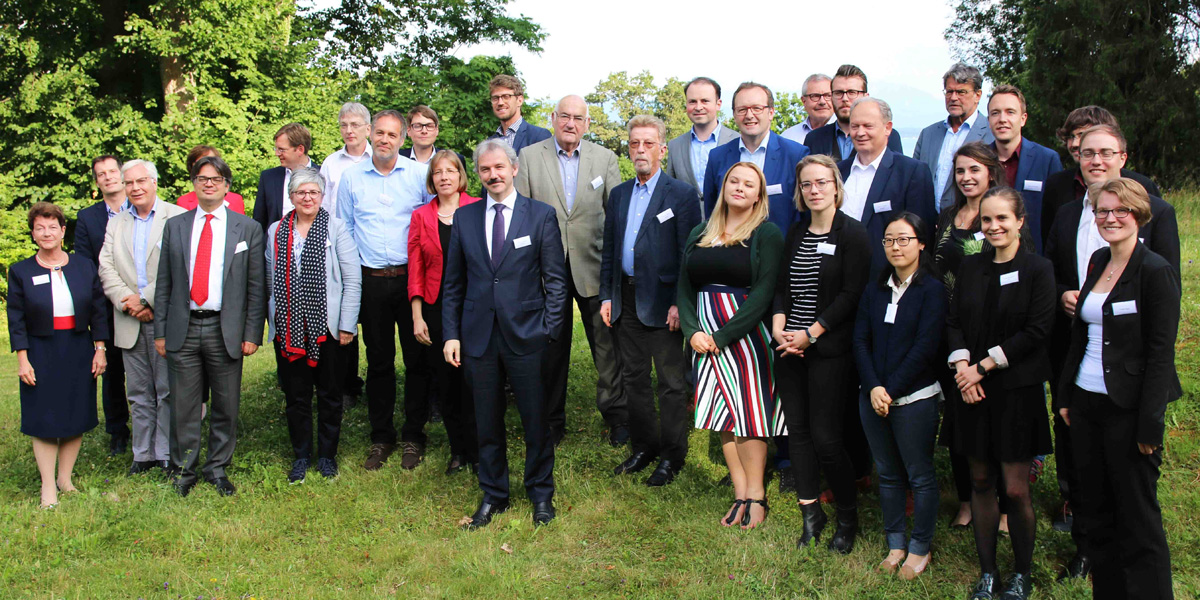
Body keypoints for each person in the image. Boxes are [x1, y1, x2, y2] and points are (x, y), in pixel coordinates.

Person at [1042, 123, 1180, 579]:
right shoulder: (1099, 261)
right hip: (1086, 402)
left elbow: (1161, 352)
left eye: (1121, 211)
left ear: (1139, 215)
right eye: (1103, 212)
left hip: (1128, 406)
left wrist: (1149, 423)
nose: (1110, 218)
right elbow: (1081, 335)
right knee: (1096, 514)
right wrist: (1065, 396)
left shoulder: (1154, 270)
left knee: (1138, 523)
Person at [442, 139, 567, 529]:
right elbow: (453, 284)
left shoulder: (540, 216)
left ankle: (541, 493)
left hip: (528, 335)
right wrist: (451, 334)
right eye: (485, 169)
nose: (493, 175)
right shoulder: (464, 218)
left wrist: (549, 329)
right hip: (478, 336)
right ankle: (494, 493)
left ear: (513, 169)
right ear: (477, 175)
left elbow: (556, 282)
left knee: (535, 420)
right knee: (486, 420)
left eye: (499, 167)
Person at [945, 187, 1055, 600]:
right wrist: (961, 369)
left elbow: (1037, 331)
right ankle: (988, 572)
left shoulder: (1038, 269)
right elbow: (952, 320)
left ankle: (1021, 574)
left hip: (1015, 391)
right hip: (970, 391)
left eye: (1002, 219)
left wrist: (982, 368)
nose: (993, 227)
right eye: (986, 220)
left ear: (1020, 222)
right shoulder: (971, 267)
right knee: (980, 480)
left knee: (1014, 487)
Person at [677, 161, 784, 530]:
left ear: (759, 195)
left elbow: (764, 294)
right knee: (723, 415)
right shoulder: (700, 232)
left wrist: (723, 336)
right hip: (703, 335)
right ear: (723, 187)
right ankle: (739, 493)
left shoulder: (767, 234)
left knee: (749, 416)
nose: (739, 187)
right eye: (733, 181)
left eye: (748, 184)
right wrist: (692, 331)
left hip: (744, 336)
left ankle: (757, 495)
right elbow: (684, 287)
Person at [515, 94, 627, 447]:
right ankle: (550, 421)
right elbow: (522, 214)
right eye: (565, 116)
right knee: (550, 348)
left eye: (579, 118)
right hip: (545, 272)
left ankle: (617, 416)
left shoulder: (605, 158)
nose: (571, 124)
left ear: (587, 123)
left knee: (606, 348)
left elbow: (616, 216)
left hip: (593, 267)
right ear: (553, 118)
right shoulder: (530, 157)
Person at [771, 154, 870, 551]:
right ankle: (811, 514)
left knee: (827, 438)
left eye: (821, 183)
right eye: (807, 184)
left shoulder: (853, 234)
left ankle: (848, 517)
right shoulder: (794, 233)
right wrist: (780, 326)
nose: (814, 190)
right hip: (787, 347)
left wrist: (811, 333)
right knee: (798, 434)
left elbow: (851, 294)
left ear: (836, 187)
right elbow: (781, 286)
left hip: (827, 348)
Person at [154, 155, 266, 497]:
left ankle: (217, 469)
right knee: (184, 407)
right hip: (183, 327)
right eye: (202, 178)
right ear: (194, 184)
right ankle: (183, 471)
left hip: (225, 329)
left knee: (226, 406)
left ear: (227, 186)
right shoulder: (176, 226)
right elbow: (164, 283)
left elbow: (256, 286)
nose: (208, 184)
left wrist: (251, 333)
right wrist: (160, 331)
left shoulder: (246, 228)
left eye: (216, 179)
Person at [600, 115, 700, 486]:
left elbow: (689, 254)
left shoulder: (681, 194)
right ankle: (644, 447)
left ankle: (673, 455)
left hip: (665, 304)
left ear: (661, 148)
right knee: (634, 379)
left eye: (647, 144)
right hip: (626, 298)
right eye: (634, 144)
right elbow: (610, 249)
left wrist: (679, 303)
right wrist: (608, 295)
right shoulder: (620, 194)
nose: (640, 150)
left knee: (672, 383)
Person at [337, 109, 435, 471]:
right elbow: (344, 230)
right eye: (379, 132)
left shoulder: (417, 175)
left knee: (417, 361)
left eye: (392, 135)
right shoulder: (350, 179)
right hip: (371, 282)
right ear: (368, 133)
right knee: (378, 363)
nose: (384, 140)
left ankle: (414, 435)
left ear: (403, 138)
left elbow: (428, 230)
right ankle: (381, 437)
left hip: (410, 282)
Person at [853, 211, 945, 580]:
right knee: (888, 475)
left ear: (921, 243)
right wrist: (874, 386)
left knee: (919, 475)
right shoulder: (875, 288)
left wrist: (889, 390)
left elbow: (926, 347)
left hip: (915, 398)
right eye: (889, 240)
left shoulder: (932, 290)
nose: (896, 246)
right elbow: (860, 339)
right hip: (872, 395)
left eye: (904, 239)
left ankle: (920, 547)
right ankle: (895, 543)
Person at [8, 202, 109, 508]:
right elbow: (17, 319)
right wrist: (23, 359)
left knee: (75, 412)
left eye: (53, 227)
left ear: (63, 231)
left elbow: (98, 310)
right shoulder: (21, 271)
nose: (47, 233)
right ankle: (47, 486)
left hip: (79, 347)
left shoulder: (83, 266)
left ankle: (65, 479)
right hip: (40, 350)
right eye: (40, 227)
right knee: (43, 417)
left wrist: (100, 348)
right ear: (33, 233)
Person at [266, 167, 361, 483]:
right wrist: (275, 323)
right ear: (291, 196)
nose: (307, 197)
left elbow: (352, 279)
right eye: (300, 192)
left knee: (330, 394)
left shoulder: (336, 228)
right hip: (290, 328)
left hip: (328, 329)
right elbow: (270, 280)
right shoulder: (276, 231)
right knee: (296, 396)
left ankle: (326, 456)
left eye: (314, 192)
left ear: (322, 196)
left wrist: (347, 324)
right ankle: (301, 455)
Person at [97, 159, 187, 475]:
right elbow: (105, 267)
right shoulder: (116, 223)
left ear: (154, 182)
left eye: (141, 181)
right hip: (128, 320)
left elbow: (179, 266)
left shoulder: (175, 216)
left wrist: (146, 299)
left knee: (166, 390)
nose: (135, 188)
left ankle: (165, 452)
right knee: (138, 393)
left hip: (164, 317)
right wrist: (128, 303)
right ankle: (142, 454)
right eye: (129, 183)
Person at [408, 150, 481, 474]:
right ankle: (458, 451)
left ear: (460, 176)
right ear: (431, 178)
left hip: (476, 306)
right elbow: (416, 268)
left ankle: (480, 451)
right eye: (438, 172)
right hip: (438, 309)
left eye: (451, 171)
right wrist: (417, 314)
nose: (444, 177)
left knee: (477, 381)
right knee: (447, 382)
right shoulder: (421, 216)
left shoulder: (478, 208)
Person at [837, 98, 937, 275]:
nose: (860, 133)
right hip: (839, 277)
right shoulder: (837, 171)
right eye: (855, 126)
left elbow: (923, 236)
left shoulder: (911, 172)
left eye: (868, 126)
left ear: (887, 128)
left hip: (885, 280)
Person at [1041, 106, 1160, 246]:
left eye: (1082, 135)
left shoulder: (1142, 187)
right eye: (1071, 137)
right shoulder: (1057, 185)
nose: (1074, 144)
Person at [74, 155, 129, 456]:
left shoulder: (142, 207)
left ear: (122, 175)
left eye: (112, 172)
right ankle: (117, 431)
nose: (108, 177)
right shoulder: (88, 218)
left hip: (143, 304)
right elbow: (84, 265)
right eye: (101, 174)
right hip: (106, 305)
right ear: (97, 182)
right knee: (113, 374)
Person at [703, 82, 810, 235]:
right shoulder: (717, 157)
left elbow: (806, 213)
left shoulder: (795, 155)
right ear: (734, 114)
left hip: (781, 253)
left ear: (771, 112)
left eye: (757, 108)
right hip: (729, 252)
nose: (749, 115)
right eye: (742, 110)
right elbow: (712, 213)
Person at [319, 101, 372, 408]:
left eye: (355, 125)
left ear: (367, 128)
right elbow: (324, 209)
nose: (349, 131)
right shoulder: (331, 164)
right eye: (344, 125)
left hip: (371, 251)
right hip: (339, 250)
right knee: (343, 318)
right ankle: (347, 385)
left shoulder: (378, 158)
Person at [986, 84, 1063, 252]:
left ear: (1023, 118)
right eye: (995, 113)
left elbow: (1058, 219)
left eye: (1010, 112)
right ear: (988, 120)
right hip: (987, 256)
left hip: (1034, 258)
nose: (1002, 119)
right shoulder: (979, 161)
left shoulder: (1047, 159)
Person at [913, 63, 995, 213]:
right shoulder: (928, 134)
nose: (953, 98)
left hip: (970, 224)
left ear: (978, 95)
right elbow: (915, 182)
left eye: (961, 92)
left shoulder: (990, 133)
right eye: (949, 92)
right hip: (928, 224)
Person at [804, 65, 904, 161]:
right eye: (838, 93)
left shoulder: (886, 135)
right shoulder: (814, 138)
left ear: (866, 96)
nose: (844, 99)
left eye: (852, 92)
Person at [665, 77, 739, 199]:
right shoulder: (675, 146)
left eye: (705, 101)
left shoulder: (737, 141)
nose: (698, 107)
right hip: (688, 217)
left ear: (718, 104)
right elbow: (671, 192)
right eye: (692, 101)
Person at [254, 122, 314, 232]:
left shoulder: (323, 174)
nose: (277, 154)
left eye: (282, 150)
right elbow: (259, 221)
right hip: (276, 245)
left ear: (300, 149)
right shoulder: (268, 178)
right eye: (276, 149)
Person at [485, 74, 551, 154]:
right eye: (495, 98)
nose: (500, 103)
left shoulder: (539, 136)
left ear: (519, 100)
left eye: (506, 97)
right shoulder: (489, 143)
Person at [176, 145, 246, 214]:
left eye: (211, 161)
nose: (206, 165)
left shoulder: (235, 200)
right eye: (200, 162)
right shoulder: (183, 202)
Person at [399, 105, 467, 167]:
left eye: (429, 126)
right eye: (418, 126)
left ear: (436, 130)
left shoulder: (456, 160)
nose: (424, 131)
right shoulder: (396, 159)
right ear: (408, 130)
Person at [781, 74, 835, 145]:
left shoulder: (848, 134)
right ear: (803, 101)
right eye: (815, 96)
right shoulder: (788, 137)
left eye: (828, 95)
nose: (822, 102)